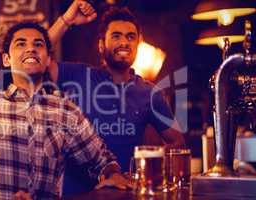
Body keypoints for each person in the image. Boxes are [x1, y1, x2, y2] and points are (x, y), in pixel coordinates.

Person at [0, 22, 129, 200]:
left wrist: (113, 174)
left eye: (38, 44)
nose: (30, 49)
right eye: (21, 44)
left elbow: (102, 161)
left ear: (48, 60)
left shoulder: (65, 110)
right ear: (6, 59)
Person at [47, 2, 185, 193]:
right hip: (76, 195)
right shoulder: (78, 75)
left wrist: (146, 165)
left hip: (124, 193)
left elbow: (178, 144)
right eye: (116, 36)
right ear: (101, 44)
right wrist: (66, 20)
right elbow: (38, 55)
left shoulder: (150, 93)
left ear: (138, 43)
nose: (124, 42)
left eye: (131, 37)